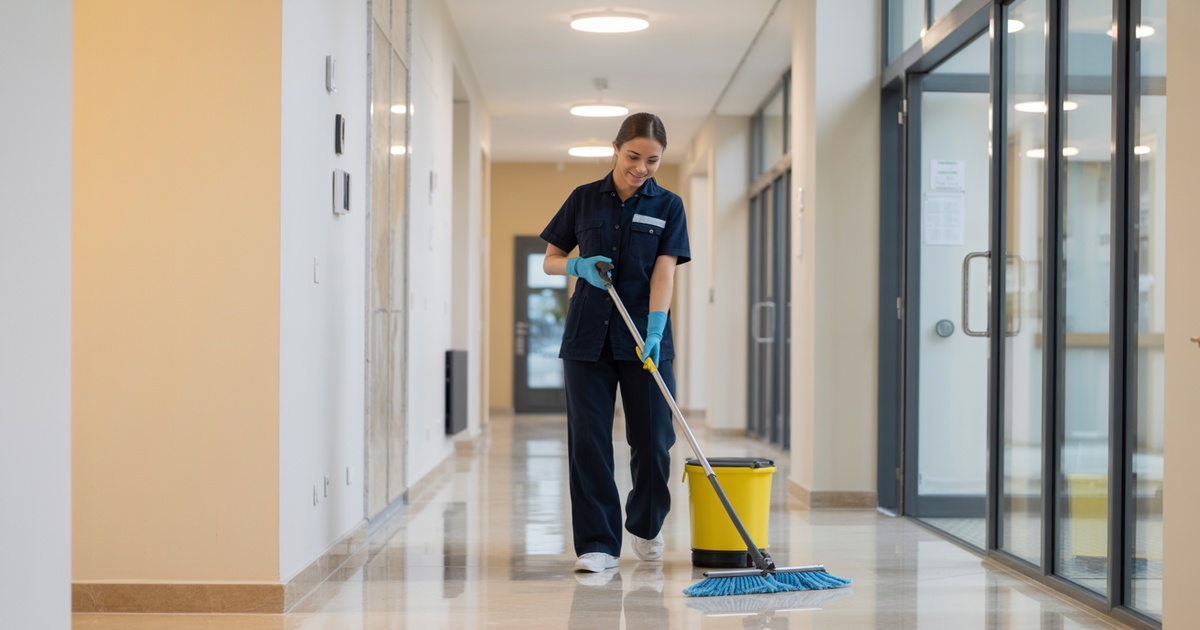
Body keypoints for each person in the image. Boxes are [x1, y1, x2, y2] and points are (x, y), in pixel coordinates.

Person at [541, 112, 691, 573]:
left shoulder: (668, 205)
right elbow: (551, 259)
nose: (641, 167)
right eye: (633, 156)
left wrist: (657, 328)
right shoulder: (584, 200)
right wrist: (577, 268)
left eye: (652, 160)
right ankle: (598, 543)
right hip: (588, 338)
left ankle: (646, 526)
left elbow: (664, 271)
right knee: (589, 440)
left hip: (645, 338)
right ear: (616, 148)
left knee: (653, 440)